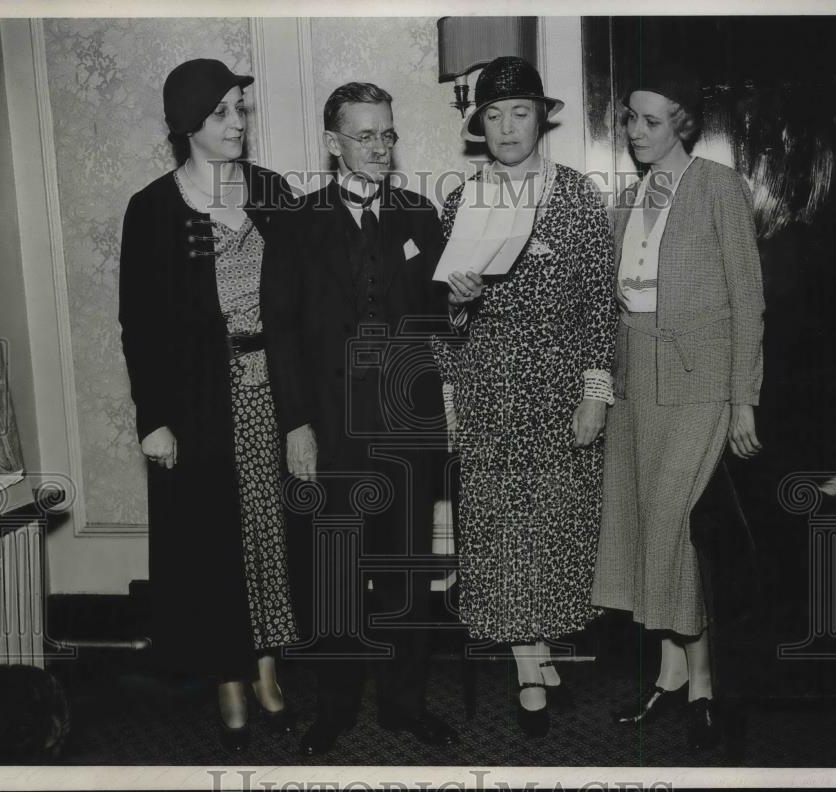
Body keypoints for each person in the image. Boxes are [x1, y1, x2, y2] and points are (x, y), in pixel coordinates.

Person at [261, 82, 458, 758]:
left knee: (405, 571)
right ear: (333, 142)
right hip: (330, 425)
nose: (380, 147)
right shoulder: (295, 221)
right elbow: (280, 331)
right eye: (366, 135)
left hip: (408, 422)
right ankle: (335, 708)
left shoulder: (420, 215)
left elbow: (439, 321)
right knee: (334, 572)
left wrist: (461, 299)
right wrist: (296, 426)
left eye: (388, 134)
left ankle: (406, 705)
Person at [432, 56, 617, 738]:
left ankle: (539, 651)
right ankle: (528, 670)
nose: (507, 126)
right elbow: (441, 318)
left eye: (520, 112)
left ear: (541, 118)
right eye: (494, 114)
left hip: (562, 385)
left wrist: (596, 392)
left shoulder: (575, 197)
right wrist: (456, 311)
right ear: (478, 124)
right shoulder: (462, 200)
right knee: (501, 532)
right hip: (489, 387)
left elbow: (600, 303)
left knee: (555, 529)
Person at [118, 58, 298, 753]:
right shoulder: (156, 208)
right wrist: (153, 418)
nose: (236, 124)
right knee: (211, 544)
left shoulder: (273, 193)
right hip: (197, 405)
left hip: (272, 396)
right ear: (188, 122)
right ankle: (228, 675)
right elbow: (141, 324)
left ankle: (266, 665)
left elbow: (307, 291)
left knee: (270, 539)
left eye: (241, 110)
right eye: (221, 112)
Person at [589, 64, 765, 751]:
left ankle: (703, 682)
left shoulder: (718, 187)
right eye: (630, 118)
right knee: (642, 526)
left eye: (651, 120)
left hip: (699, 381)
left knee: (671, 520)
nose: (636, 130)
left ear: (683, 125)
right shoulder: (627, 198)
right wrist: (602, 396)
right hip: (636, 377)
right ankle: (669, 674)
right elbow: (610, 311)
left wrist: (743, 400)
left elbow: (747, 300)